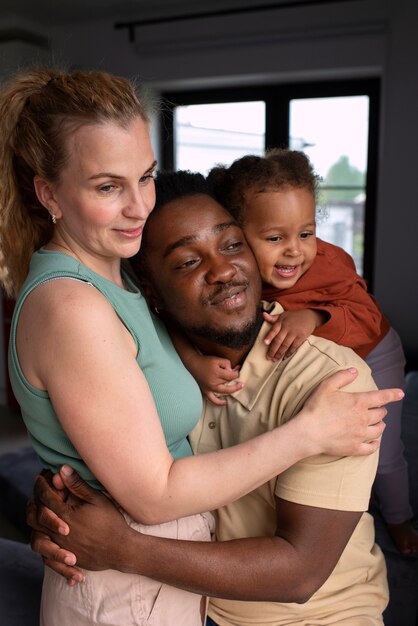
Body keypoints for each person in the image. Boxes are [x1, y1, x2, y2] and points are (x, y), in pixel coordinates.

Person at [0, 70, 395, 626]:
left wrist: (188, 359)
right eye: (108, 186)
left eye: (145, 176)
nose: (138, 206)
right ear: (49, 194)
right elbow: (153, 494)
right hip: (131, 590)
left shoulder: (122, 285)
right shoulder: (73, 305)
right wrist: (307, 433)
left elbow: (300, 572)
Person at [193, 149, 416, 556]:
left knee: (381, 448)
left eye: (306, 233)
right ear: (237, 237)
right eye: (275, 238)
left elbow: (366, 314)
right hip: (316, 370)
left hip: (373, 349)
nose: (295, 250)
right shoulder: (230, 276)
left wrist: (313, 316)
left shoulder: (328, 263)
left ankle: (400, 519)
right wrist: (195, 361)